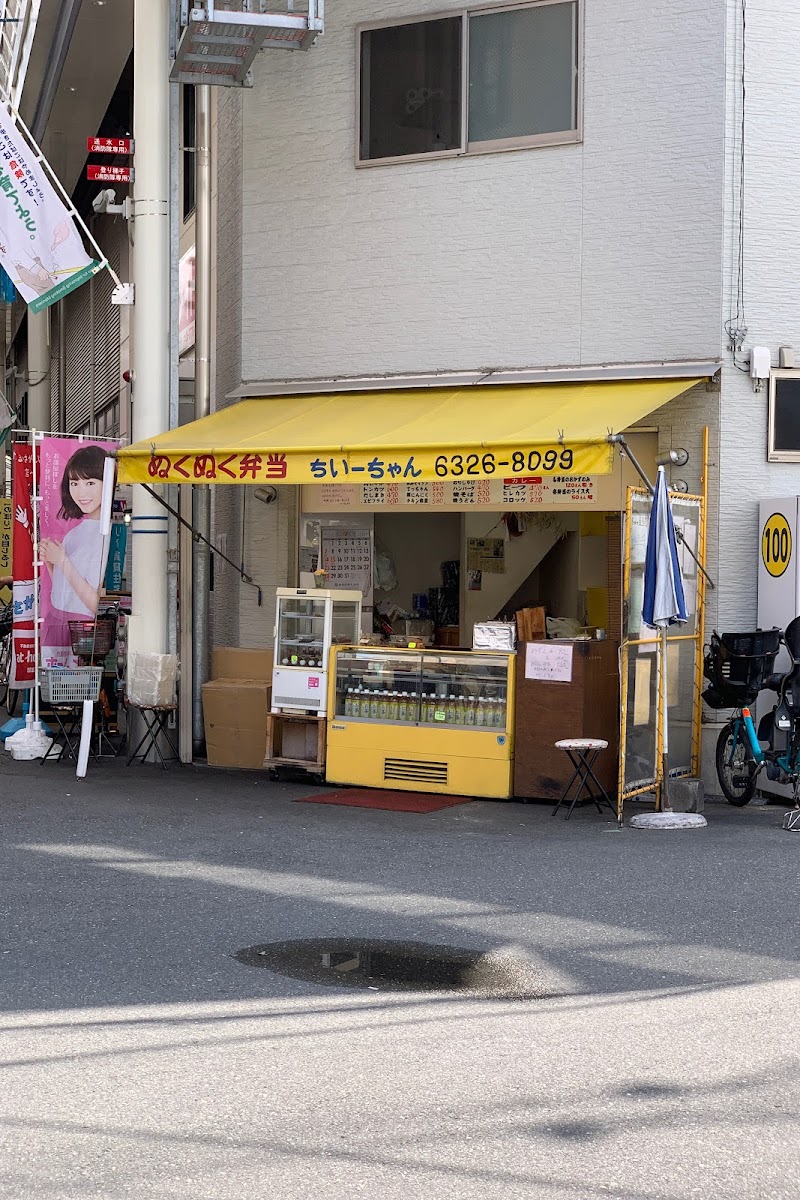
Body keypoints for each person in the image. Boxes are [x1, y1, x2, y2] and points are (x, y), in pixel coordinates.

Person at [38, 444, 109, 661]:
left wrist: (62, 561)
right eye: (74, 483)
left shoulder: (106, 533)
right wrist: (52, 562)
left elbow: (95, 604)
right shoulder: (75, 532)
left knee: (75, 688)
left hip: (81, 628)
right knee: (54, 687)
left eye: (90, 482)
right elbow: (64, 587)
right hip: (55, 618)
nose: (81, 491)